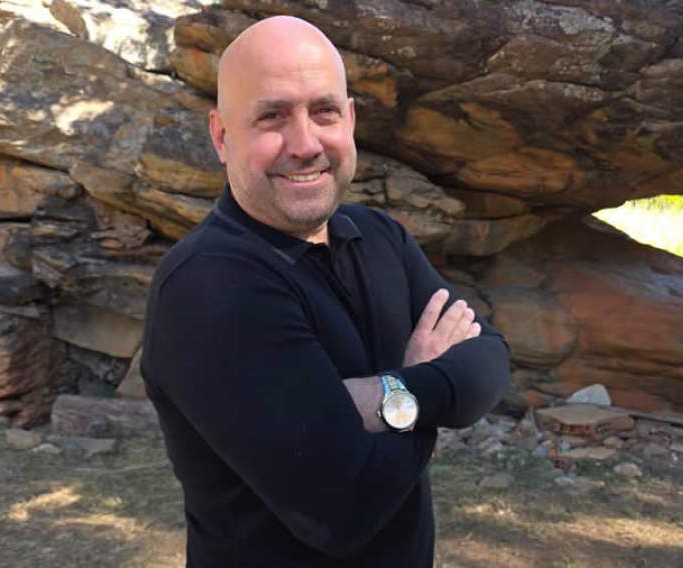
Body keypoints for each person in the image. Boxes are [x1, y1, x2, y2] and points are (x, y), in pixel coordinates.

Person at [140, 15, 511, 567]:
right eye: (272, 116)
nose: (305, 143)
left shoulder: (380, 237)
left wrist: (385, 395)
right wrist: (430, 385)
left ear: (350, 119)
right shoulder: (208, 284)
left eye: (324, 111)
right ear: (221, 136)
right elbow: (342, 509)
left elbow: (491, 360)